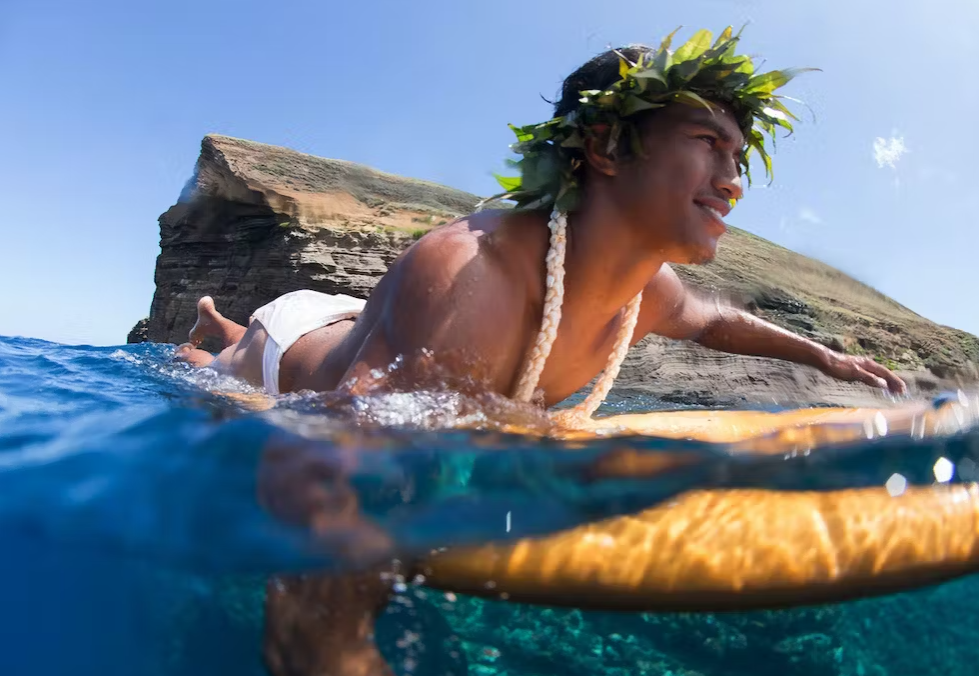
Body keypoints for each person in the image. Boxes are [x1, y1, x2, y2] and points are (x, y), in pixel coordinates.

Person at [178, 27, 908, 675]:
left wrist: (827, 360)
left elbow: (718, 321)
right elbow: (323, 455)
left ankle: (220, 322)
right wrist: (330, 636)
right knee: (223, 381)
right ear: (604, 148)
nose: (733, 182)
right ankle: (216, 336)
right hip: (294, 348)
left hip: (359, 325)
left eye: (737, 155)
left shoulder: (651, 290)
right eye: (708, 143)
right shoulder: (473, 276)